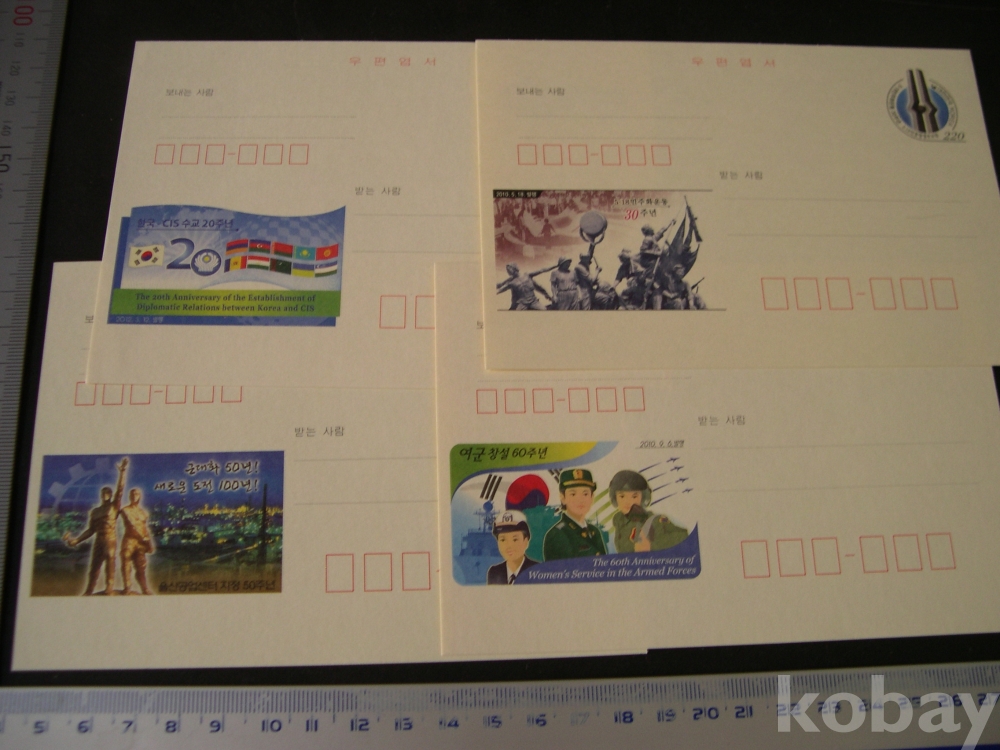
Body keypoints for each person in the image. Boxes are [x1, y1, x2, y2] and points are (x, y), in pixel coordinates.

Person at [63, 458, 128, 595]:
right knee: (95, 566)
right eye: (103, 493)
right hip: (99, 539)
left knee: (110, 560)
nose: (105, 495)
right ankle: (89, 590)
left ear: (110, 495)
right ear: (101, 495)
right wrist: (77, 540)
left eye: (107, 493)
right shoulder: (95, 511)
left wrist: (122, 472)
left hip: (110, 538)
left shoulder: (114, 507)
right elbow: (91, 530)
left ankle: (109, 586)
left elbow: (120, 490)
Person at [607, 470, 688, 553]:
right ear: (615, 497)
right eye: (622, 496)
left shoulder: (656, 521)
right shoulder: (619, 521)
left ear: (643, 497)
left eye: (634, 496)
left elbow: (684, 536)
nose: (628, 501)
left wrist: (652, 545)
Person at [543, 469, 607, 560]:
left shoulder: (594, 531)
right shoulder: (557, 534)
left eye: (585, 494)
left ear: (592, 497)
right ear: (563, 498)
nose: (580, 500)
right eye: (573, 494)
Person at [487, 510, 539, 585]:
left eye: (515, 539)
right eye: (503, 540)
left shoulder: (538, 570)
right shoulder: (494, 572)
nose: (509, 545)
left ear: (526, 541)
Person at [119, 487, 155, 595]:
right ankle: (127, 587)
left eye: (137, 494)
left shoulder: (143, 513)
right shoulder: (125, 510)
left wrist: (149, 543)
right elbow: (132, 525)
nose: (134, 496)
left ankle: (144, 588)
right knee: (126, 561)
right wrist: (144, 539)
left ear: (140, 496)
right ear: (129, 496)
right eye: (133, 494)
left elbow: (144, 528)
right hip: (129, 539)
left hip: (141, 543)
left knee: (141, 567)